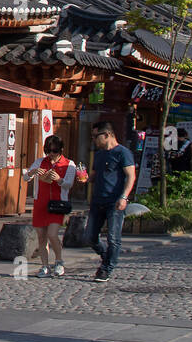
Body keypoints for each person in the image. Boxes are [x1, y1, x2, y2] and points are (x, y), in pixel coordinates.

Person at [86, 121, 137, 282]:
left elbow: (131, 176)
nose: (94, 139)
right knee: (90, 237)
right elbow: (95, 175)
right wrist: (86, 178)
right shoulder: (99, 154)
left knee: (113, 238)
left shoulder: (123, 153)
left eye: (96, 136)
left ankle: (107, 268)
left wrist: (124, 197)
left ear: (107, 135)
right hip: (97, 200)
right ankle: (106, 257)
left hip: (114, 202)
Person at [21, 134, 75, 277]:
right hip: (40, 203)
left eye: (54, 151)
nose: (51, 154)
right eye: (48, 151)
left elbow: (69, 184)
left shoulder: (69, 164)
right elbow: (25, 177)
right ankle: (44, 265)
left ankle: (59, 261)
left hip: (58, 204)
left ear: (60, 150)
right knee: (41, 236)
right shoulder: (40, 161)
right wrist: (32, 172)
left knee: (52, 234)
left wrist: (59, 180)